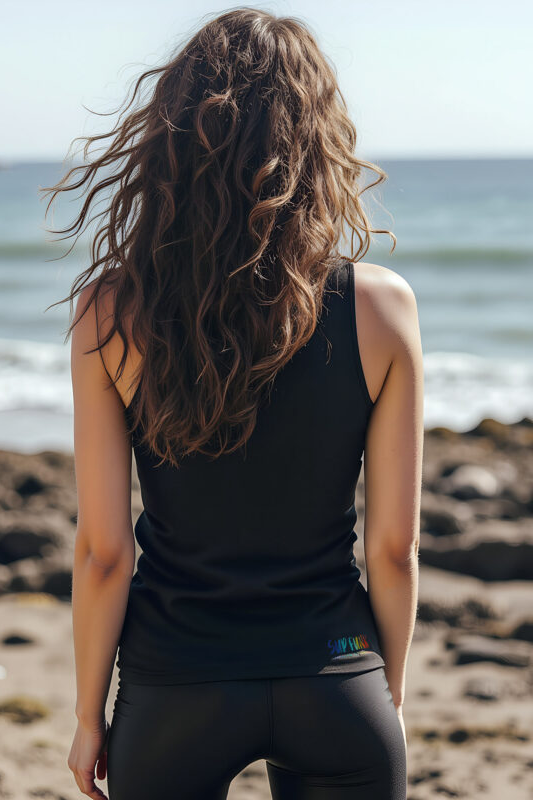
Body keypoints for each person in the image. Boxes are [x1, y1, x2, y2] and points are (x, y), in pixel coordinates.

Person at [40, 8, 423, 799]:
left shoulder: (112, 313)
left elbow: (105, 553)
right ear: (317, 139)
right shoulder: (384, 309)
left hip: (175, 685)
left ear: (173, 140)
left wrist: (88, 715)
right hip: (335, 676)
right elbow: (393, 550)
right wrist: (388, 690)